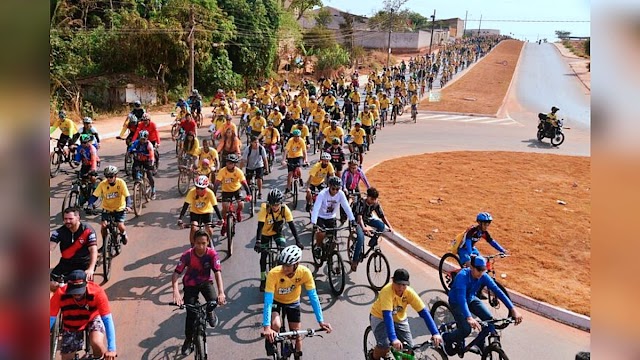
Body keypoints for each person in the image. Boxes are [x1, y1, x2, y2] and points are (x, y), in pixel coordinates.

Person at [441, 256, 523, 356]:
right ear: (471, 267)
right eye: (479, 270)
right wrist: (469, 317)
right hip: (457, 302)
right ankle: (446, 338)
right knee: (466, 330)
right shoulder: (462, 276)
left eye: (483, 270)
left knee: (489, 320)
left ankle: (480, 342)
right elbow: (461, 299)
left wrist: (512, 308)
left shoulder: (483, 276)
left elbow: (497, 290)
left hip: (471, 299)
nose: (481, 272)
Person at [262, 246, 332, 358]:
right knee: (276, 324)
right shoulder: (273, 274)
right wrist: (267, 327)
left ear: (296, 264)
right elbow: (268, 301)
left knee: (297, 334)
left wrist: (321, 321)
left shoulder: (305, 273)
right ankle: (270, 342)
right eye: (283, 265)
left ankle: (298, 355)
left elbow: (313, 297)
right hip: (276, 301)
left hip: (293, 302)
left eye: (288, 266)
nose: (284, 269)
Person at [172, 230, 227, 356]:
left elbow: (217, 273)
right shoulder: (187, 255)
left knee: (213, 302)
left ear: (208, 242)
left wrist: (221, 293)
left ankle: (210, 312)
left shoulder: (212, 254)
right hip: (190, 285)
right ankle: (188, 340)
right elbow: (175, 274)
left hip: (205, 282)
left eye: (203, 243)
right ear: (193, 242)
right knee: (190, 315)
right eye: (198, 243)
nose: (201, 246)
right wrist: (176, 292)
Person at [368, 269, 442, 360]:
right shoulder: (386, 292)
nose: (400, 287)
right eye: (398, 284)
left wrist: (435, 333)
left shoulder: (409, 293)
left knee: (409, 349)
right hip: (380, 317)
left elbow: (424, 313)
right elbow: (388, 316)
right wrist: (394, 339)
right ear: (392, 281)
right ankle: (372, 357)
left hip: (399, 319)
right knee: (384, 345)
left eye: (403, 285)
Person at [49, 270, 118, 360]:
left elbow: (107, 320)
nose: (77, 294)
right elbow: (50, 318)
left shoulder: (97, 292)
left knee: (96, 342)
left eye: (79, 291)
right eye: (74, 291)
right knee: (66, 358)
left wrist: (111, 349)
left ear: (86, 284)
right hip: (72, 323)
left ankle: (99, 357)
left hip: (92, 318)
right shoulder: (60, 294)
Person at [253, 189, 303, 291]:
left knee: (283, 251)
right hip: (265, 233)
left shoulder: (285, 209)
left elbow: (292, 226)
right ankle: (263, 279)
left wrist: (298, 241)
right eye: (272, 204)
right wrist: (258, 241)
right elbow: (260, 226)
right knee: (263, 256)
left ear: (280, 203)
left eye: (277, 204)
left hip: (277, 232)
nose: (275, 207)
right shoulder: (264, 209)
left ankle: (281, 273)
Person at [50, 207, 98, 292]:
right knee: (51, 284)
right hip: (66, 263)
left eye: (70, 219)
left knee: (86, 289)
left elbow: (93, 250)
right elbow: (50, 247)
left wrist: (90, 269)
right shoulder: (59, 232)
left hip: (84, 263)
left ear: (78, 218)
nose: (67, 221)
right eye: (65, 219)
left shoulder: (87, 230)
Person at [350, 188, 394, 271]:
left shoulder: (376, 204)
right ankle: (354, 261)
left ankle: (372, 243)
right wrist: (364, 228)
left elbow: (382, 216)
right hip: (357, 221)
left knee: (381, 226)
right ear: (368, 197)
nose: (374, 201)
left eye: (375, 199)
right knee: (360, 238)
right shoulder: (361, 202)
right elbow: (359, 217)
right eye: (372, 199)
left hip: (367, 219)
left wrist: (390, 227)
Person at [87, 166, 133, 246]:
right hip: (107, 209)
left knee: (120, 225)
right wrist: (90, 205)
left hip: (119, 209)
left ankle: (124, 234)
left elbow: (127, 196)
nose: (109, 179)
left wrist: (128, 206)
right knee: (103, 226)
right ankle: (104, 244)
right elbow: (95, 196)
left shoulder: (121, 183)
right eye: (107, 177)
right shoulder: (102, 184)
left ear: (115, 176)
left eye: (111, 176)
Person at [310, 176, 355, 255]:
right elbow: (316, 208)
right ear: (329, 186)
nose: (335, 191)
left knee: (333, 241)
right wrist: (314, 222)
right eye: (333, 189)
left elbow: (346, 207)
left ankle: (329, 258)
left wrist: (352, 219)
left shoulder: (341, 194)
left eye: (337, 189)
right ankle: (318, 246)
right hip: (321, 217)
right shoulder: (322, 194)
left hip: (331, 217)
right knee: (322, 232)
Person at [177, 176, 223, 246]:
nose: (199, 190)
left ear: (206, 187)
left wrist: (221, 219)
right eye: (197, 187)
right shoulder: (192, 192)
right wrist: (180, 219)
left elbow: (215, 207)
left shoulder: (210, 193)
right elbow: (185, 206)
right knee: (194, 228)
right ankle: (192, 246)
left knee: (209, 229)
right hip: (195, 212)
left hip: (207, 212)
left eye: (201, 188)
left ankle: (208, 244)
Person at [212, 154, 252, 227]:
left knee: (241, 204)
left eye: (231, 163)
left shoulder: (238, 171)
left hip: (236, 190)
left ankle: (238, 212)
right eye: (227, 162)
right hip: (226, 191)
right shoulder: (222, 171)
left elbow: (244, 183)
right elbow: (217, 183)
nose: (229, 164)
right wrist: (213, 194)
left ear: (234, 164)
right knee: (225, 206)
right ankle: (224, 221)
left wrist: (249, 194)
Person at [127, 129, 157, 199]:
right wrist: (131, 151)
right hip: (138, 160)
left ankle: (153, 190)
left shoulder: (149, 145)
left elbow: (152, 156)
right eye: (140, 139)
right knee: (134, 169)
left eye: (143, 139)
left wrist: (152, 163)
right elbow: (131, 148)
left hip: (147, 160)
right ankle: (137, 181)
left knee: (149, 175)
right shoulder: (137, 143)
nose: (142, 141)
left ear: (146, 138)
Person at [282, 129, 308, 194]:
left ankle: (300, 178)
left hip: (299, 156)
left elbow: (304, 151)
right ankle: (288, 187)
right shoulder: (290, 140)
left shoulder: (302, 141)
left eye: (298, 136)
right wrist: (283, 160)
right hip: (290, 157)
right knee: (290, 174)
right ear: (293, 136)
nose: (297, 138)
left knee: (298, 168)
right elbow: (286, 150)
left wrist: (306, 160)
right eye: (295, 136)